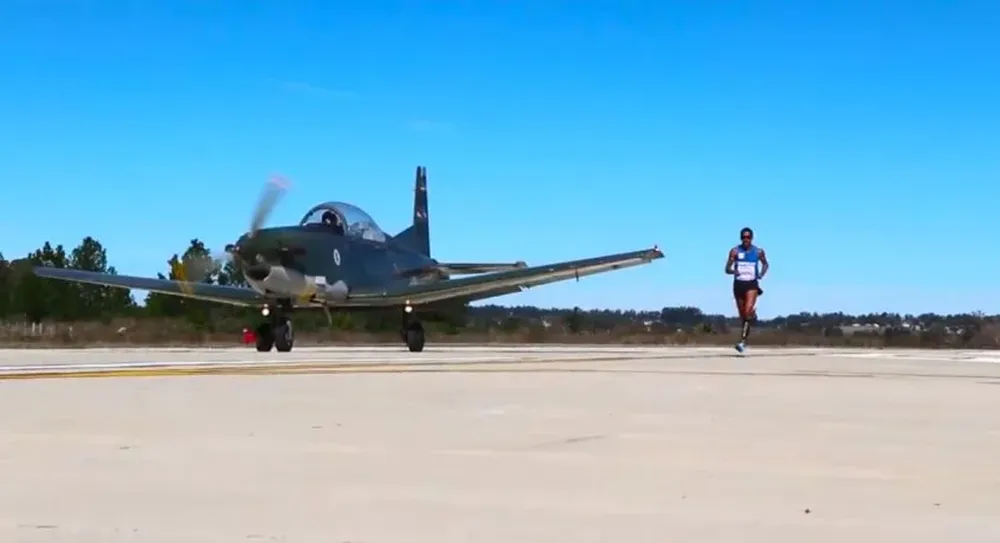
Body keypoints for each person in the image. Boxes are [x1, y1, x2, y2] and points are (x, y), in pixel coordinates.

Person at [725, 227, 768, 353]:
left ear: (752, 238)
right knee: (743, 315)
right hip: (738, 284)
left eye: (748, 237)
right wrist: (733, 270)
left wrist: (761, 274)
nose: (746, 239)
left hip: (752, 285)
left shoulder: (758, 251)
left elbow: (766, 264)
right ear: (740, 238)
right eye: (744, 237)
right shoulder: (735, 251)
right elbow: (726, 269)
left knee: (747, 310)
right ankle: (751, 318)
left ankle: (742, 342)